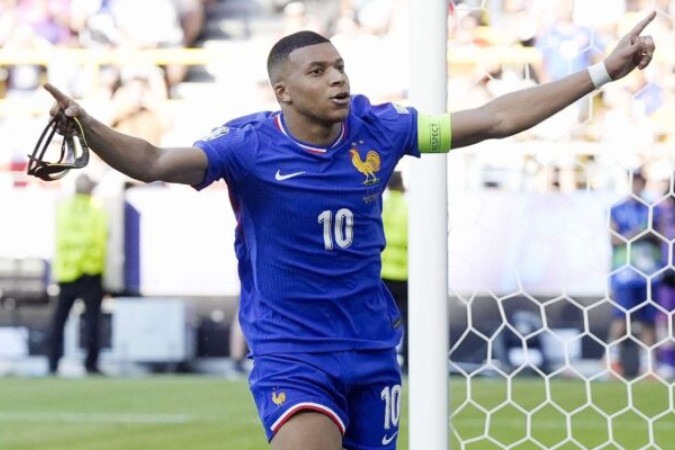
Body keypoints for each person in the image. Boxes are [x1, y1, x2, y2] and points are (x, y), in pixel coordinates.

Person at [41, 12, 656, 449]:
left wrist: (601, 73)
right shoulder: (246, 147)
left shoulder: (381, 131)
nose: (338, 78)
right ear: (283, 91)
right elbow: (151, 162)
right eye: (318, 70)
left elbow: (493, 118)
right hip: (294, 355)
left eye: (340, 66)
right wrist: (87, 123)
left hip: (370, 353)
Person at [48, 173, 109, 376]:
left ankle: (53, 364)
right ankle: (91, 365)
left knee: (59, 322)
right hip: (90, 272)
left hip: (66, 272)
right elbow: (101, 238)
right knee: (92, 322)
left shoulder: (63, 207)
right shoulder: (96, 209)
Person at [607, 169, 661, 377]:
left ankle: (649, 366)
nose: (637, 185)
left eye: (640, 181)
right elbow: (614, 239)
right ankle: (612, 361)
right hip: (625, 272)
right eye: (634, 181)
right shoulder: (616, 209)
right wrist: (635, 234)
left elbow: (661, 237)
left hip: (648, 271)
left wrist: (652, 234)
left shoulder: (652, 210)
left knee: (649, 319)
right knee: (622, 317)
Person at [380, 171, 409, 373]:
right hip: (405, 276)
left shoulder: (381, 207)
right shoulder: (409, 210)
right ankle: (408, 361)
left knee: (381, 321)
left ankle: (383, 358)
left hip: (382, 275)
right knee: (408, 321)